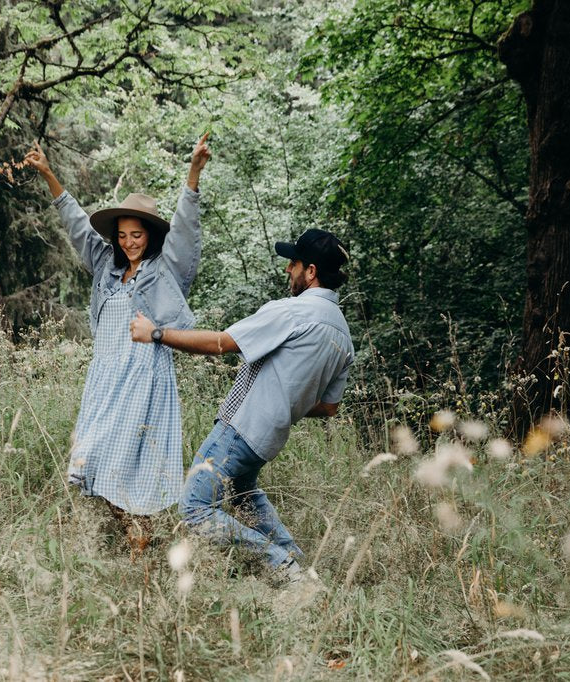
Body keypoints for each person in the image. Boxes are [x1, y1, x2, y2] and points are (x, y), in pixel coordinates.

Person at [130, 228, 354, 580]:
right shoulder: (343, 335)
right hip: (269, 437)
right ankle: (300, 566)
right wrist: (285, 403)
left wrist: (156, 333)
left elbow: (221, 343)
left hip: (241, 428)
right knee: (245, 496)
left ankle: (285, 568)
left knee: (194, 509)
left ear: (311, 271)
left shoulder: (293, 312)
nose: (287, 270)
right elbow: (328, 407)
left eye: (293, 263)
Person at [24, 134, 211, 552]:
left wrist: (194, 172)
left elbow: (185, 229)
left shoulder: (166, 271)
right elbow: (75, 224)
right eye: (123, 235)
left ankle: (139, 536)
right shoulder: (105, 268)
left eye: (137, 235)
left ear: (150, 236)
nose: (129, 243)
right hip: (105, 378)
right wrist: (50, 174)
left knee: (125, 460)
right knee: (89, 459)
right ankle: (137, 532)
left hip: (143, 378)